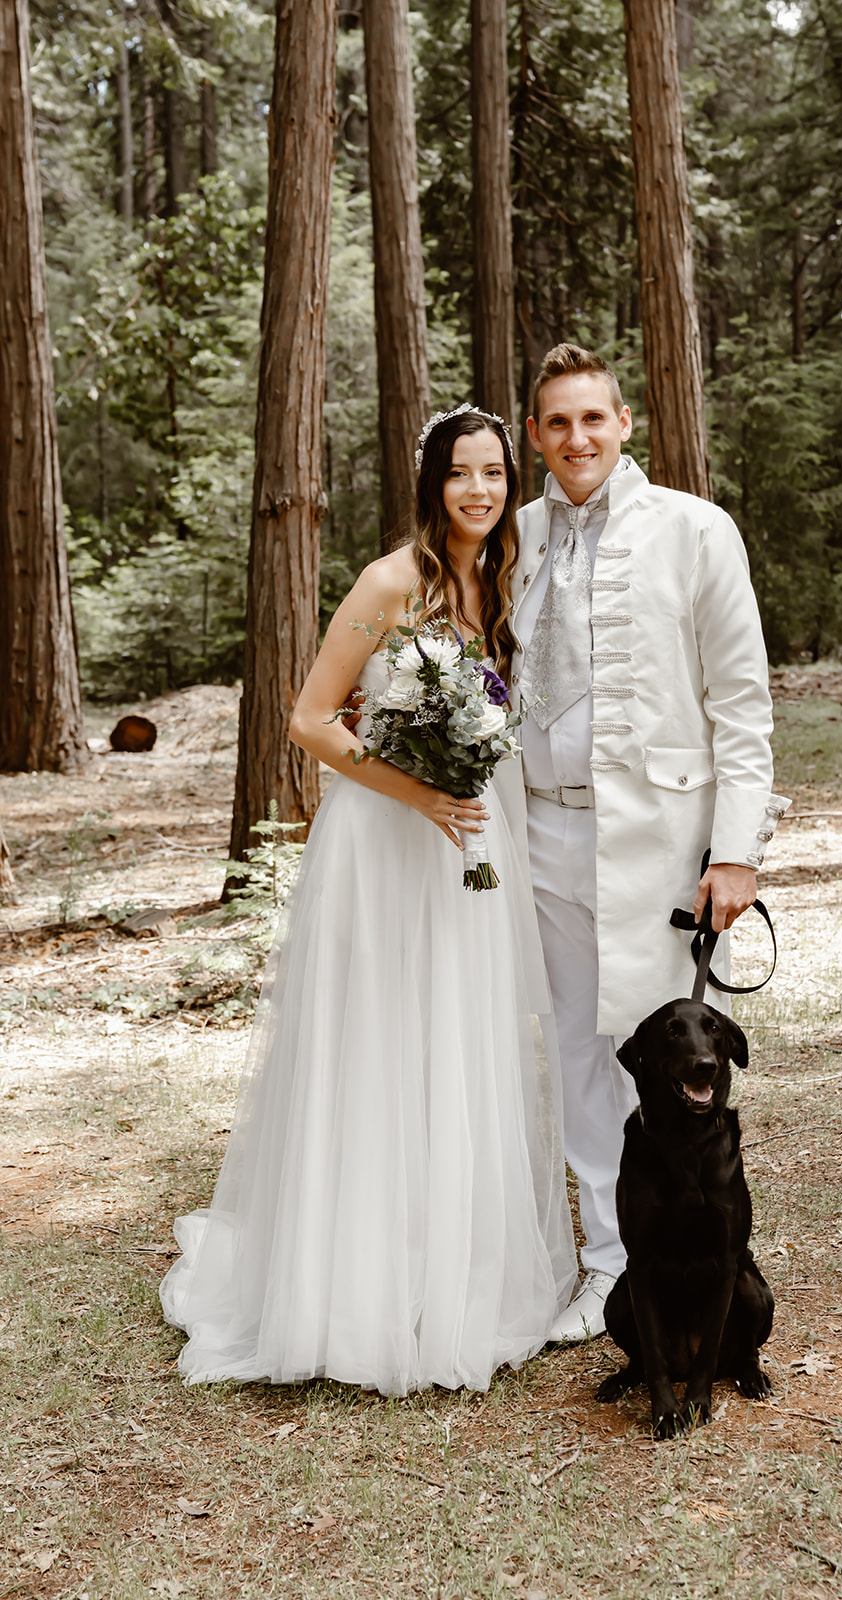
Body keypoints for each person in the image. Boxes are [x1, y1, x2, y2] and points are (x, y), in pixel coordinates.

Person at [160, 406, 576, 1391]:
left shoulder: (503, 579)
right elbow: (308, 719)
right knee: (379, 1044)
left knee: (459, 1043)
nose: (477, 490)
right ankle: (354, 1287)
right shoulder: (390, 582)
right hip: (385, 842)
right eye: (458, 474)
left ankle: (450, 1271)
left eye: (492, 473)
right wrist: (419, 790)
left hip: (469, 841)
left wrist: (462, 789)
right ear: (430, 483)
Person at [511, 343, 789, 1343]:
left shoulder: (693, 531)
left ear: (623, 421)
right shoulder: (517, 535)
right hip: (540, 828)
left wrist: (735, 850)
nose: (575, 438)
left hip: (659, 842)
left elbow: (741, 705)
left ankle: (703, 1265)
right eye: (555, 422)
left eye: (593, 418)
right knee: (579, 1054)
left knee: (664, 1062)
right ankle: (606, 1267)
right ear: (535, 434)